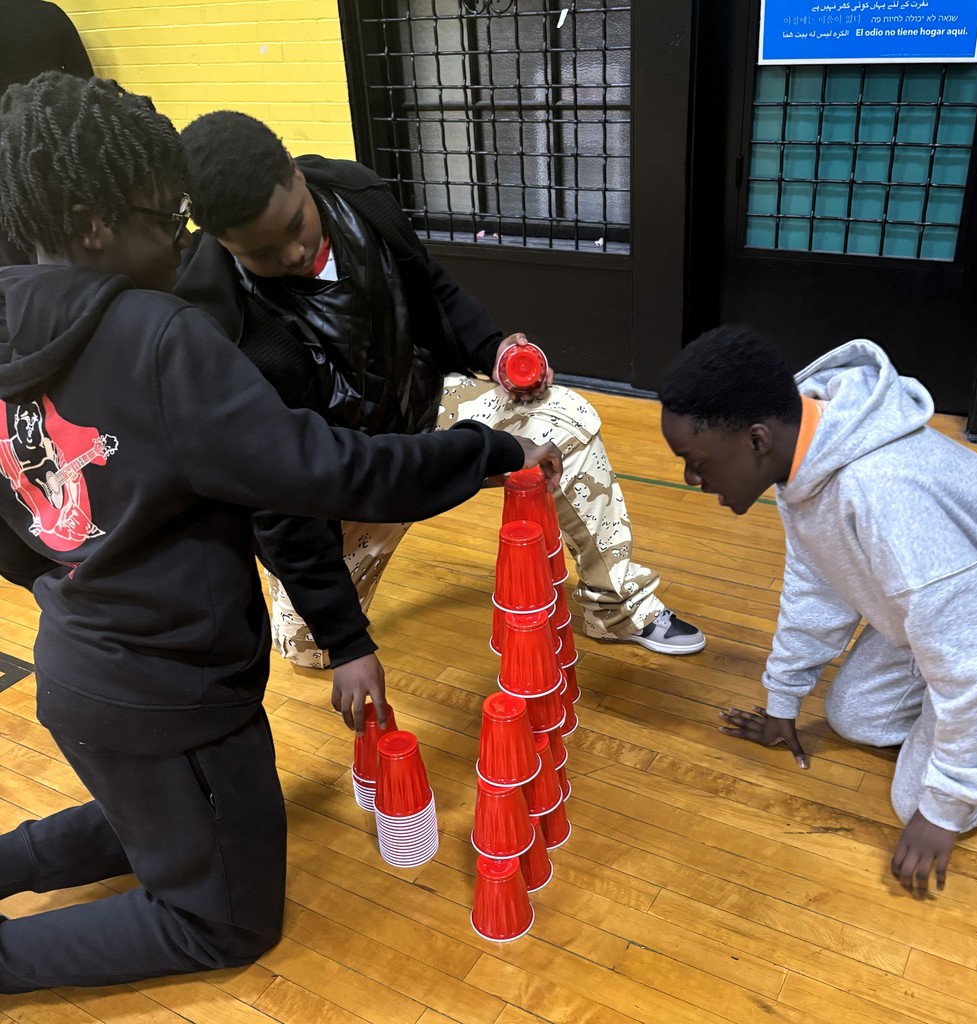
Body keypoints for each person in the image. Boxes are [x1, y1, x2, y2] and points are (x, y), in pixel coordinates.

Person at [0, 72, 560, 992]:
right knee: (224, 924)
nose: (178, 247)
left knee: (175, 821)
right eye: (164, 221)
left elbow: (13, 539)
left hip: (82, 672)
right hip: (177, 694)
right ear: (88, 220)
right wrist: (484, 450)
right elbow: (324, 472)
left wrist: (82, 575)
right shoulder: (156, 335)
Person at [174, 111, 706, 707]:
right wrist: (349, 642)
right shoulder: (214, 325)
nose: (295, 252)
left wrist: (494, 349)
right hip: (333, 489)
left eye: (296, 223)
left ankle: (615, 605)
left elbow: (431, 290)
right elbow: (275, 500)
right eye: (264, 253)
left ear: (295, 172)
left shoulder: (358, 196)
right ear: (222, 243)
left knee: (568, 418)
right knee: (310, 649)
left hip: (424, 414)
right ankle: (323, 617)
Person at [658, 324, 977, 898]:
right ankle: (968, 711)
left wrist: (946, 809)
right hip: (962, 607)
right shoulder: (803, 461)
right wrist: (783, 701)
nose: (692, 479)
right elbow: (816, 589)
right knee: (856, 716)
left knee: (917, 800)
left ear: (755, 440)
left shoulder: (881, 493)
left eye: (697, 462)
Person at [0, 0, 93, 265]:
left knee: (9, 247)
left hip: (4, 148)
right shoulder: (50, 14)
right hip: (54, 141)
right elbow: (85, 82)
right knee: (61, 234)